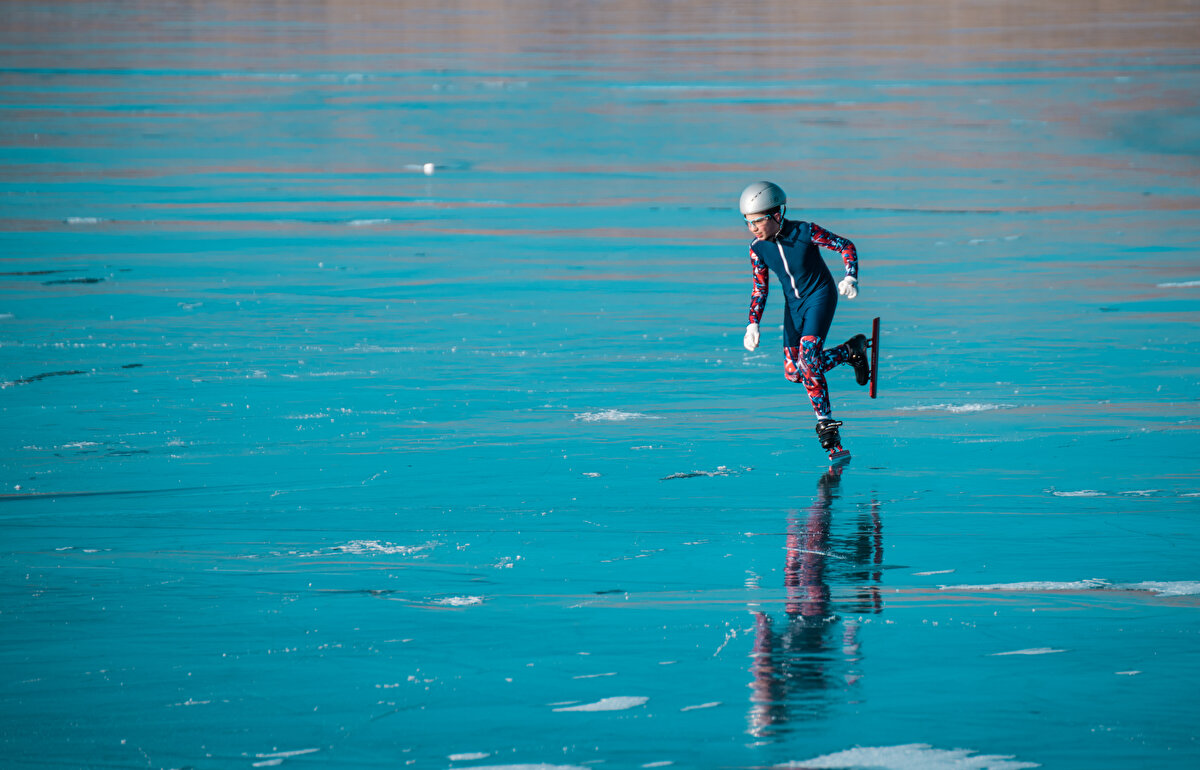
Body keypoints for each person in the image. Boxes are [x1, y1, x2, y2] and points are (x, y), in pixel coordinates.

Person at [738, 180, 871, 457]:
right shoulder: (757, 248)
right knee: (794, 372)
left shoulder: (804, 231)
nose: (753, 229)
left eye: (757, 222)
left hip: (819, 297)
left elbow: (845, 246)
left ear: (776, 215)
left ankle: (826, 422)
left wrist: (850, 276)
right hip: (794, 307)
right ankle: (851, 351)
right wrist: (753, 322)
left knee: (809, 357)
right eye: (747, 223)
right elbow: (760, 288)